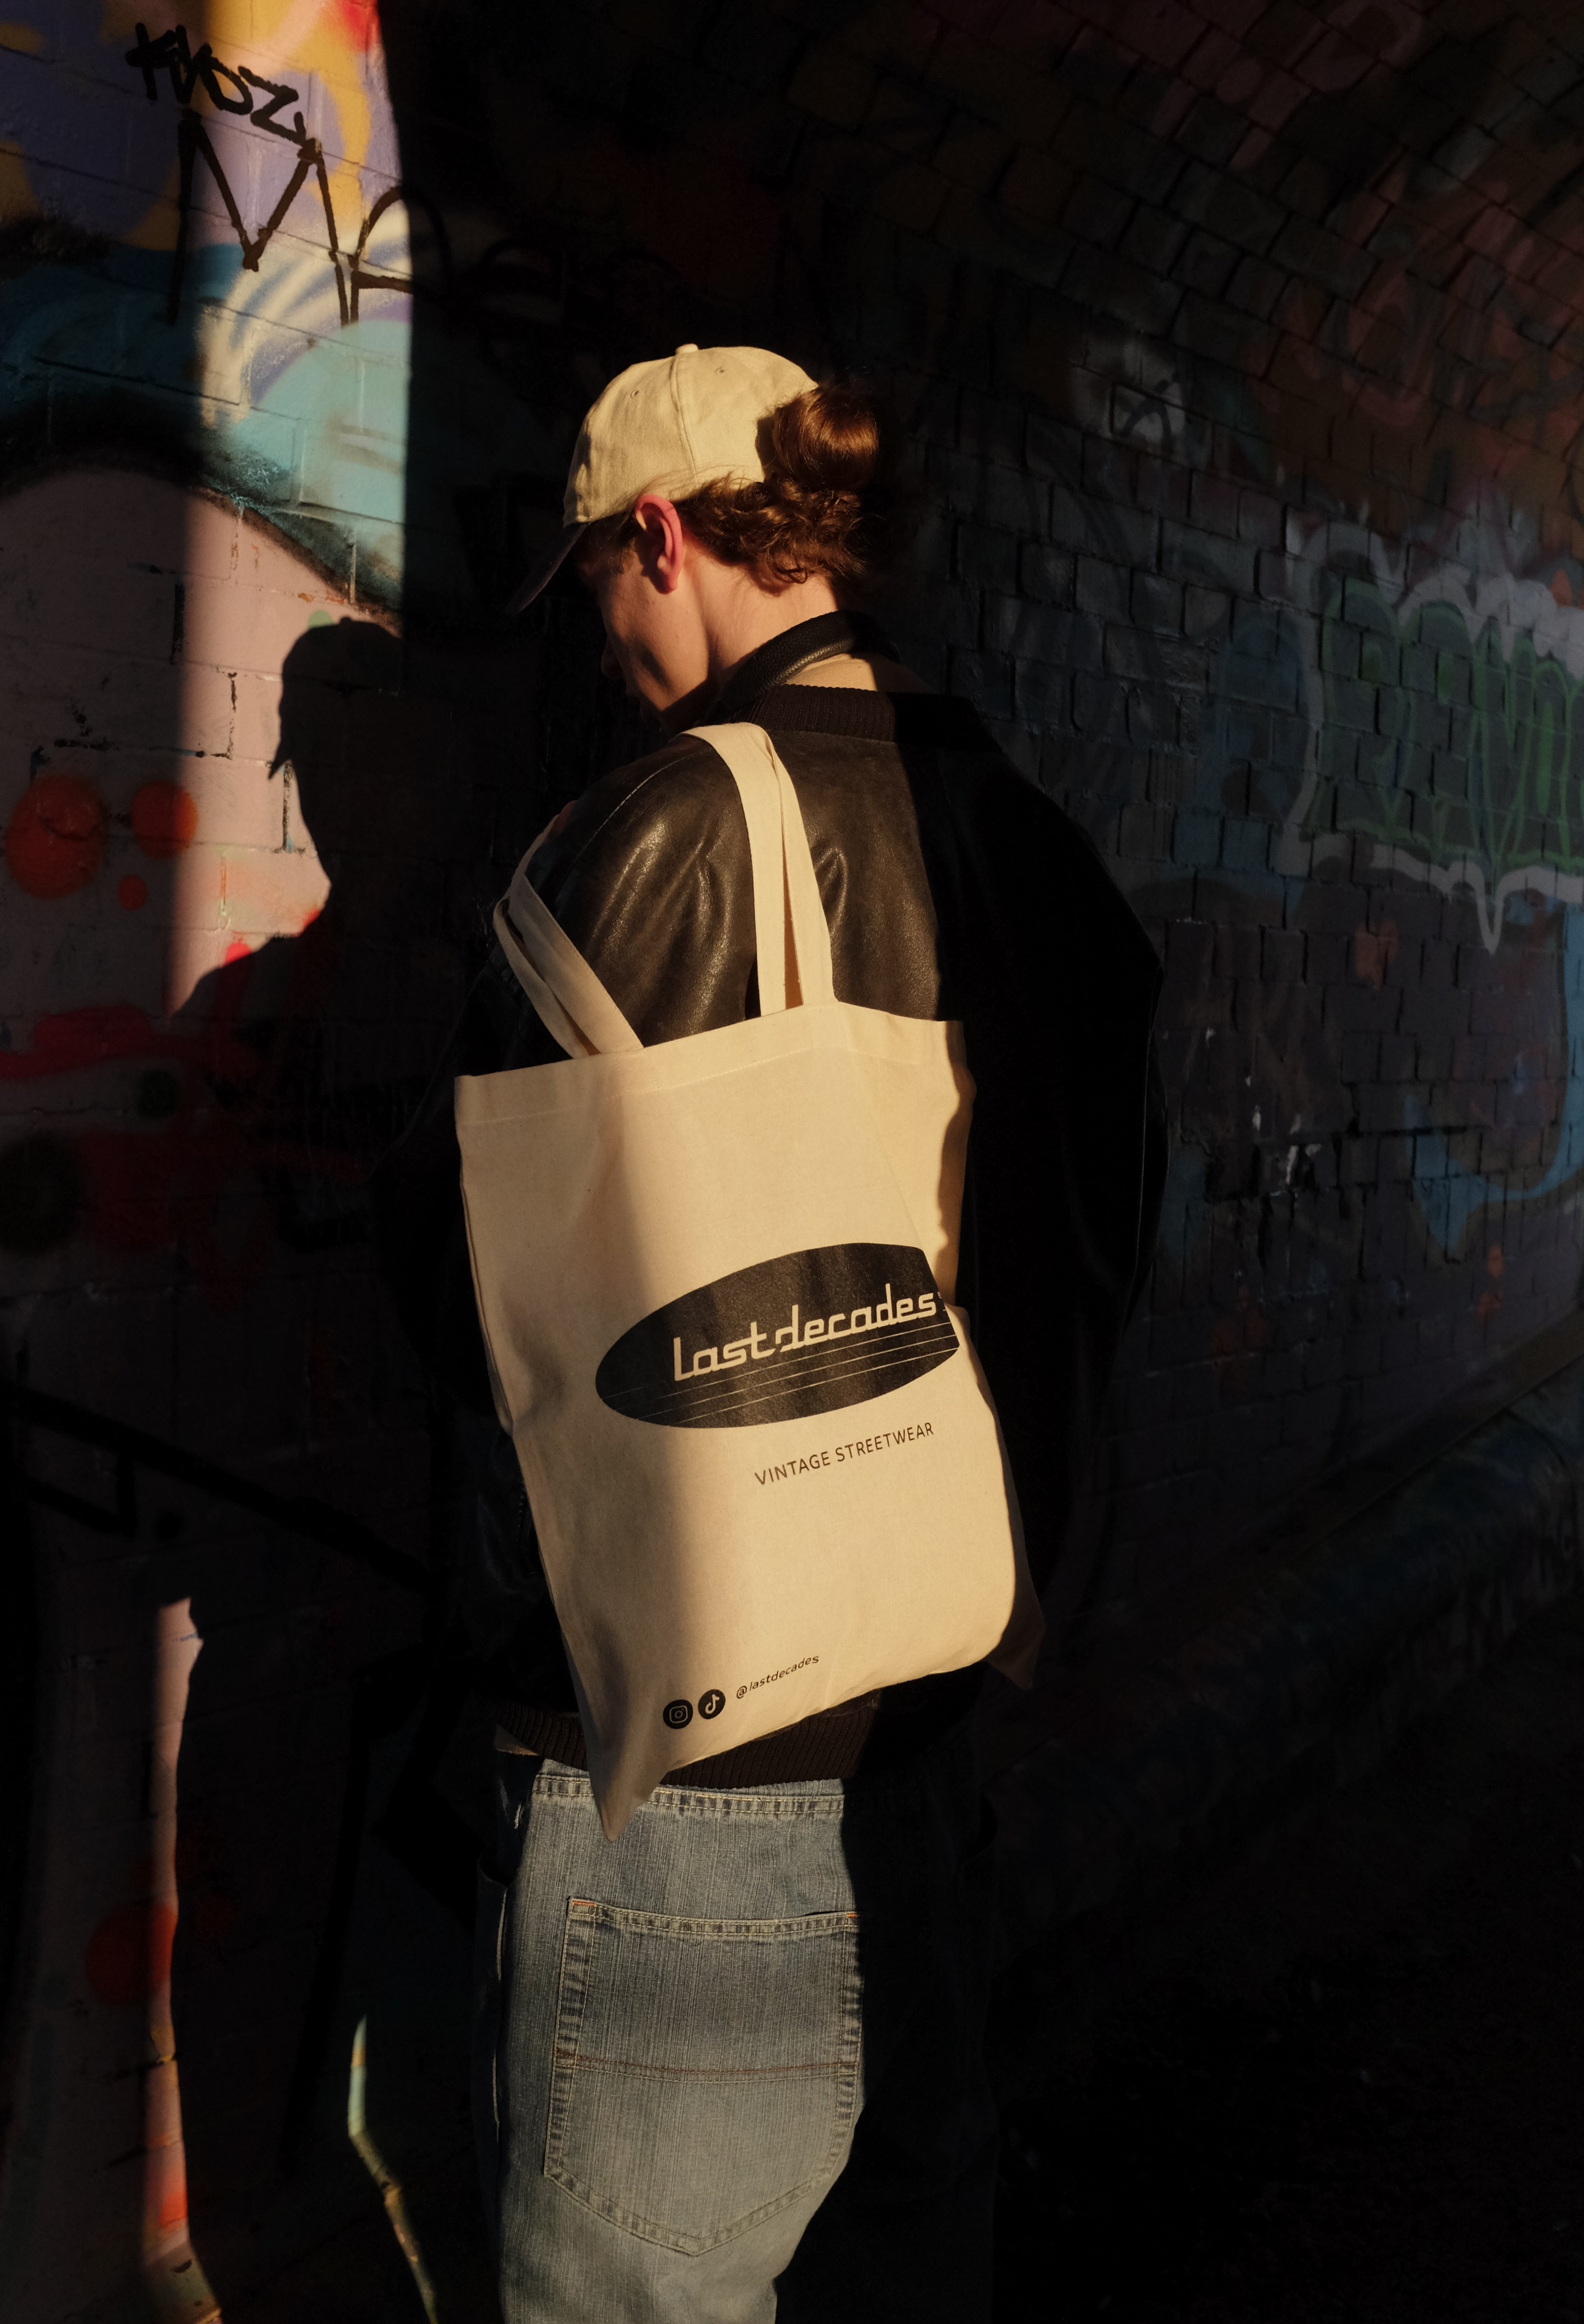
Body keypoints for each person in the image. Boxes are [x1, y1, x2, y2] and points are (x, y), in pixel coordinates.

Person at [430, 345, 1164, 2320]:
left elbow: (481, 1311)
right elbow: (1105, 1245)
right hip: (933, 1721)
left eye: (599, 578)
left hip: (694, 1782)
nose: (603, 635)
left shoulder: (653, 835)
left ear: (663, 537)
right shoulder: (1024, 830)